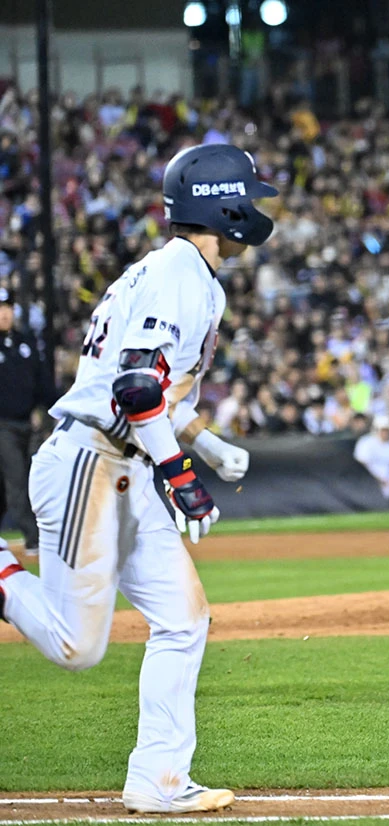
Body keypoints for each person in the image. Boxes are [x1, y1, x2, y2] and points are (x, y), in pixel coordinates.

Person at [0, 144, 277, 811]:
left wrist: (205, 444)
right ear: (226, 205)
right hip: (91, 464)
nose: (258, 208)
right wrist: (183, 475)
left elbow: (149, 390)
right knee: (75, 646)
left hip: (117, 464)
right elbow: (132, 387)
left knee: (184, 622)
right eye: (250, 195)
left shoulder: (175, 272)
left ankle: (158, 781)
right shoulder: (180, 275)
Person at [0, 287, 57, 555]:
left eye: (7, 307)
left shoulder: (27, 343)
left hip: (31, 424)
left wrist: (45, 410)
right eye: (0, 308)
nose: (4, 313)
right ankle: (33, 538)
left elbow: (43, 383)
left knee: (37, 478)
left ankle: (44, 532)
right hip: (3, 425)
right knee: (16, 479)